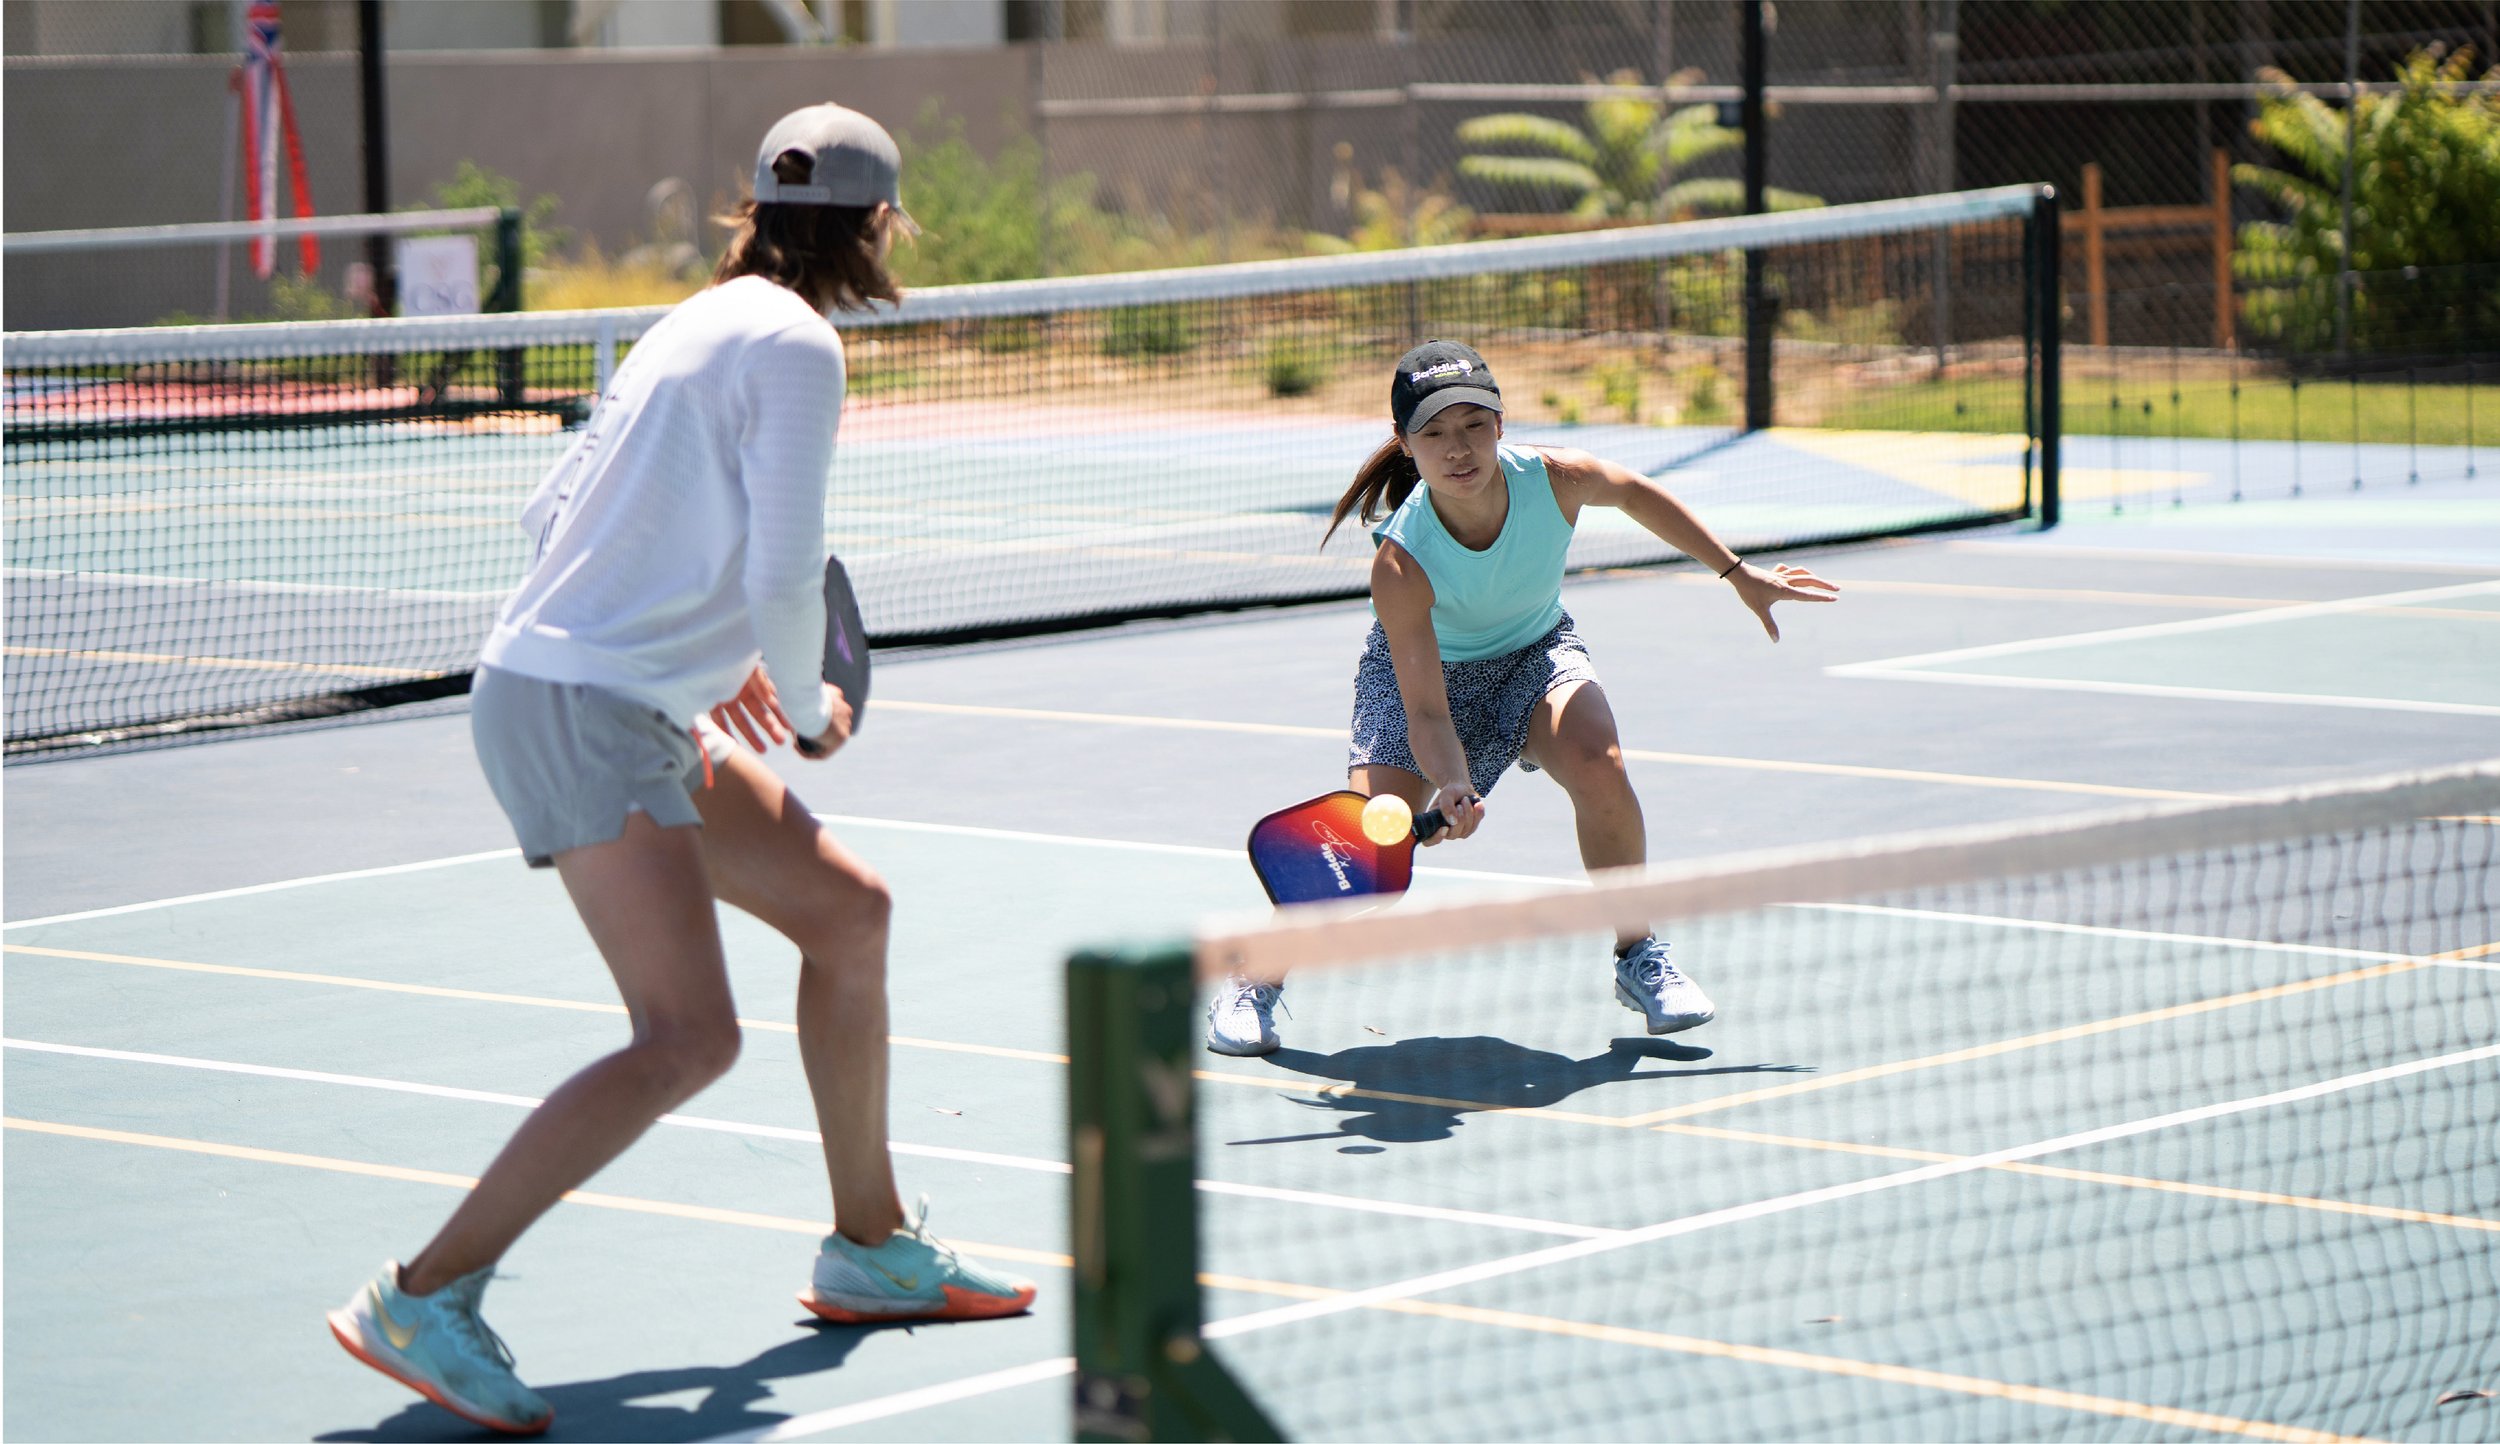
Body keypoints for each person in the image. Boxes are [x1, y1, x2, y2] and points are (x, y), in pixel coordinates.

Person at [326, 105, 1033, 1436]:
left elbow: (561, 516)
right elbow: (779, 575)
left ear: (758, 213)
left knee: (848, 912)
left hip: (612, 690)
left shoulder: (693, 322)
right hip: (585, 708)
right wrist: (810, 706)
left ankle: (871, 1247)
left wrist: (711, 667)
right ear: (880, 226)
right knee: (689, 1036)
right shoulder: (802, 347)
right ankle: (422, 1295)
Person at [1208, 340, 1839, 1058]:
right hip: (1423, 680)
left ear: (1502, 425)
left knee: (1600, 761)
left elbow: (1634, 493)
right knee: (1371, 852)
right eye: (1436, 433)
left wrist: (1736, 572)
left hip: (1535, 655)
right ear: (1407, 446)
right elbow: (1425, 711)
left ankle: (1639, 954)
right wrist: (1452, 783)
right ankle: (1254, 978)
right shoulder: (1401, 560)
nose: (1459, 448)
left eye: (1475, 423)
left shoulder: (1552, 479)